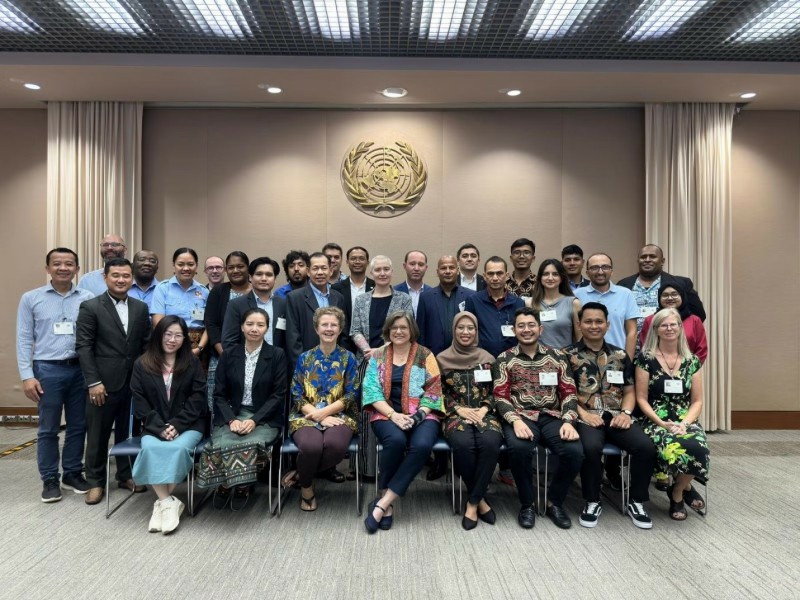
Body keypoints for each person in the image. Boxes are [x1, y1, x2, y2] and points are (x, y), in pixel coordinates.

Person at [564, 302, 656, 529]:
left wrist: (626, 413)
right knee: (590, 448)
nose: (594, 326)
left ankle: (637, 501)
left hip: (617, 416)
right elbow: (564, 393)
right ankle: (592, 500)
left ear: (607, 325)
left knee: (645, 447)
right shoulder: (567, 355)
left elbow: (630, 390)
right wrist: (583, 415)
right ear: (579, 324)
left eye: (599, 321)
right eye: (588, 321)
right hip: (585, 416)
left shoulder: (620, 355)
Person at [494, 307, 583, 530]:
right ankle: (527, 504)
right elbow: (500, 396)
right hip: (520, 416)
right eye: (521, 326)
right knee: (519, 449)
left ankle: (554, 502)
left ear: (540, 329)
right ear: (514, 330)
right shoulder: (504, 359)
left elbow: (569, 392)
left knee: (574, 451)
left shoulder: (558, 357)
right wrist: (514, 420)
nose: (526, 330)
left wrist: (568, 421)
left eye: (531, 325)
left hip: (553, 416)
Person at [17, 248, 94, 502]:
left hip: (80, 369)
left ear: (77, 269)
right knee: (48, 428)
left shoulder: (88, 298)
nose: (63, 268)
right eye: (57, 263)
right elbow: (24, 338)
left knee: (78, 425)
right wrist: (27, 375)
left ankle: (72, 473)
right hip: (47, 369)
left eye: (69, 264)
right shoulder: (31, 298)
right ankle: (50, 478)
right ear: (47, 268)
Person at [76, 258, 151, 505]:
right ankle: (95, 482)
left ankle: (125, 475)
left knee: (129, 432)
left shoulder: (140, 308)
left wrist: (144, 380)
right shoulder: (90, 307)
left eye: (126, 276)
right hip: (102, 385)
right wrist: (93, 382)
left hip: (133, 383)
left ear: (132, 278)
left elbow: (145, 345)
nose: (121, 280)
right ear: (105, 277)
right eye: (116, 275)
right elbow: (84, 347)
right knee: (97, 434)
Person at [361, 311, 444, 533]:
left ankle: (383, 502)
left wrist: (418, 416)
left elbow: (434, 390)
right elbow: (371, 390)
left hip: (422, 415)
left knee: (422, 445)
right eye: (394, 327)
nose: (398, 331)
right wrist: (393, 415)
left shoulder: (425, 355)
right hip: (386, 413)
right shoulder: (378, 355)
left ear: (411, 330)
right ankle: (386, 504)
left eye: (403, 327)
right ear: (388, 330)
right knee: (396, 441)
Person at [197, 308, 286, 510]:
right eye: (250, 324)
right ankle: (227, 484)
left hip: (264, 417)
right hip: (232, 414)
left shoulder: (276, 355)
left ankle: (241, 486)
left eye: (260, 325)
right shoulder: (229, 355)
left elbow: (278, 395)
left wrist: (254, 420)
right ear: (242, 327)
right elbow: (219, 395)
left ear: (267, 329)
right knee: (221, 443)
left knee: (251, 442)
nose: (254, 329)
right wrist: (232, 420)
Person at [129, 316, 207, 534]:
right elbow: (140, 401)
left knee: (177, 449)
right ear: (158, 335)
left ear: (185, 339)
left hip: (188, 424)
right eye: (168, 334)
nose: (172, 340)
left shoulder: (192, 362)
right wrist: (160, 427)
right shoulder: (142, 364)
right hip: (154, 425)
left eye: (178, 335)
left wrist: (177, 424)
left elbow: (198, 398)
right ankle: (168, 502)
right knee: (151, 448)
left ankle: (162, 503)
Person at [635, 307, 709, 521]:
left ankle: (676, 490)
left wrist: (684, 423)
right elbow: (641, 398)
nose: (669, 328)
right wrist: (661, 423)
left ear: (680, 328)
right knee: (671, 445)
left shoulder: (692, 361)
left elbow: (697, 401)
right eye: (664, 325)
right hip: (654, 419)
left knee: (698, 446)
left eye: (673, 324)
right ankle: (685, 488)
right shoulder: (645, 359)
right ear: (656, 329)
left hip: (685, 419)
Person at [284, 307, 359, 511]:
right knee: (311, 447)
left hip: (340, 415)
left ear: (340, 329)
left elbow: (351, 394)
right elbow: (296, 393)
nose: (329, 328)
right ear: (316, 329)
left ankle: (301, 474)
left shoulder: (349, 358)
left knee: (335, 446)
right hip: (306, 415)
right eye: (324, 324)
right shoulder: (304, 358)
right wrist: (318, 416)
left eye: (334, 325)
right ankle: (306, 488)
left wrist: (324, 413)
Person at [437, 311, 501, 530]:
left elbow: (497, 390)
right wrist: (458, 409)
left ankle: (472, 502)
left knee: (491, 443)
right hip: (455, 414)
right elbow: (436, 393)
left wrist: (484, 409)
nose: (465, 332)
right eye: (461, 328)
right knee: (463, 444)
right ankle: (480, 501)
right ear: (454, 330)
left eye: (470, 328)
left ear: (476, 331)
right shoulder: (441, 359)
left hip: (485, 413)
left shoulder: (488, 358)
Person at [617, 244, 706, 327]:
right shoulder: (623, 284)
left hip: (668, 337)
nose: (647, 260)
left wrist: (675, 328)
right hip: (629, 338)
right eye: (643, 257)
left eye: (652, 256)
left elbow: (698, 314)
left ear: (662, 261)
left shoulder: (681, 283)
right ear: (638, 260)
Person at [204, 251, 251, 407]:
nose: (235, 270)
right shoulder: (218, 291)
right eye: (231, 267)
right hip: (221, 356)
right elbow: (211, 324)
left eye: (240, 266)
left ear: (248, 268)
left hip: (252, 358)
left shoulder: (257, 291)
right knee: (218, 402)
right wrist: (224, 354)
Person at [285, 252, 347, 371]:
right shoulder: (295, 298)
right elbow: (293, 338)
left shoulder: (338, 297)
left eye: (324, 268)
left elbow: (343, 332)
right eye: (315, 268)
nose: (320, 272)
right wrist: (302, 367)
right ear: (308, 272)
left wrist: (341, 361)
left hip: (335, 365)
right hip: (307, 366)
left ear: (331, 271)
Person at [574, 253, 639, 359]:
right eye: (594, 268)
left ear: (611, 271)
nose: (600, 272)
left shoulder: (625, 294)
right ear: (587, 273)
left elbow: (632, 332)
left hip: (618, 358)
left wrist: (628, 361)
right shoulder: (576, 295)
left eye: (605, 267)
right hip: (585, 360)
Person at [151, 247, 210, 360]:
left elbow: (209, 325)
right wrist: (172, 343)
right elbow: (158, 323)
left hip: (197, 347)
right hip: (169, 344)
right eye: (180, 264)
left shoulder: (204, 291)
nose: (186, 268)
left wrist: (199, 348)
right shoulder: (163, 288)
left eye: (190, 264)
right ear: (174, 265)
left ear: (196, 266)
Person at [350, 255, 413, 360]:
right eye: (378, 270)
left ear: (391, 272)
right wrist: (369, 352)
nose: (382, 273)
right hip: (366, 359)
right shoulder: (361, 300)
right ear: (371, 273)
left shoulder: (404, 299)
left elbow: (407, 329)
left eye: (386, 269)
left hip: (395, 359)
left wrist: (379, 352)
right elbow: (355, 331)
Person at [464, 256, 525, 358]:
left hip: (512, 359)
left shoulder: (518, 303)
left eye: (499, 273)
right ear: (484, 276)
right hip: (482, 359)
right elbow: (468, 331)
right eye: (490, 274)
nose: (495, 278)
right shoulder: (473, 301)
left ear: (507, 276)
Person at [222, 256, 287, 351]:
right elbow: (229, 341)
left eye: (269, 275)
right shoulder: (236, 305)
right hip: (245, 359)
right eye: (259, 274)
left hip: (277, 359)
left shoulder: (284, 304)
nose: (264, 278)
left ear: (275, 278)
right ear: (250, 277)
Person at [417, 256, 476, 356]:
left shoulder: (471, 296)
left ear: (458, 271)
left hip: (464, 356)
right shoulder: (425, 297)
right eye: (443, 268)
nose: (448, 271)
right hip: (433, 356)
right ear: (437, 272)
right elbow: (420, 332)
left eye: (451, 268)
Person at [640, 282, 708, 364]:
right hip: (655, 368)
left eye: (674, 294)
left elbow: (701, 350)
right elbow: (645, 346)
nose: (670, 298)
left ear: (682, 296)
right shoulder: (651, 320)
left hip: (688, 368)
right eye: (665, 295)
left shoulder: (694, 320)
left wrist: (690, 368)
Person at [530, 258, 581, 349]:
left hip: (564, 356)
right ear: (540, 278)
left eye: (555, 274)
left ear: (561, 278)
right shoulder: (530, 303)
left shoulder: (574, 303)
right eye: (546, 274)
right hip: (537, 357)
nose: (550, 278)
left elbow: (580, 339)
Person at [331, 246, 374, 350]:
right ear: (347, 262)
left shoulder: (376, 286)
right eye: (353, 258)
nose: (357, 261)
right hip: (343, 344)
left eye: (361, 258)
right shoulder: (336, 288)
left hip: (370, 345)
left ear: (367, 262)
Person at [394, 250, 431, 316]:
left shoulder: (432, 294)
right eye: (412, 264)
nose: (416, 268)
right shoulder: (394, 292)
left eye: (421, 264)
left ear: (426, 268)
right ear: (404, 266)